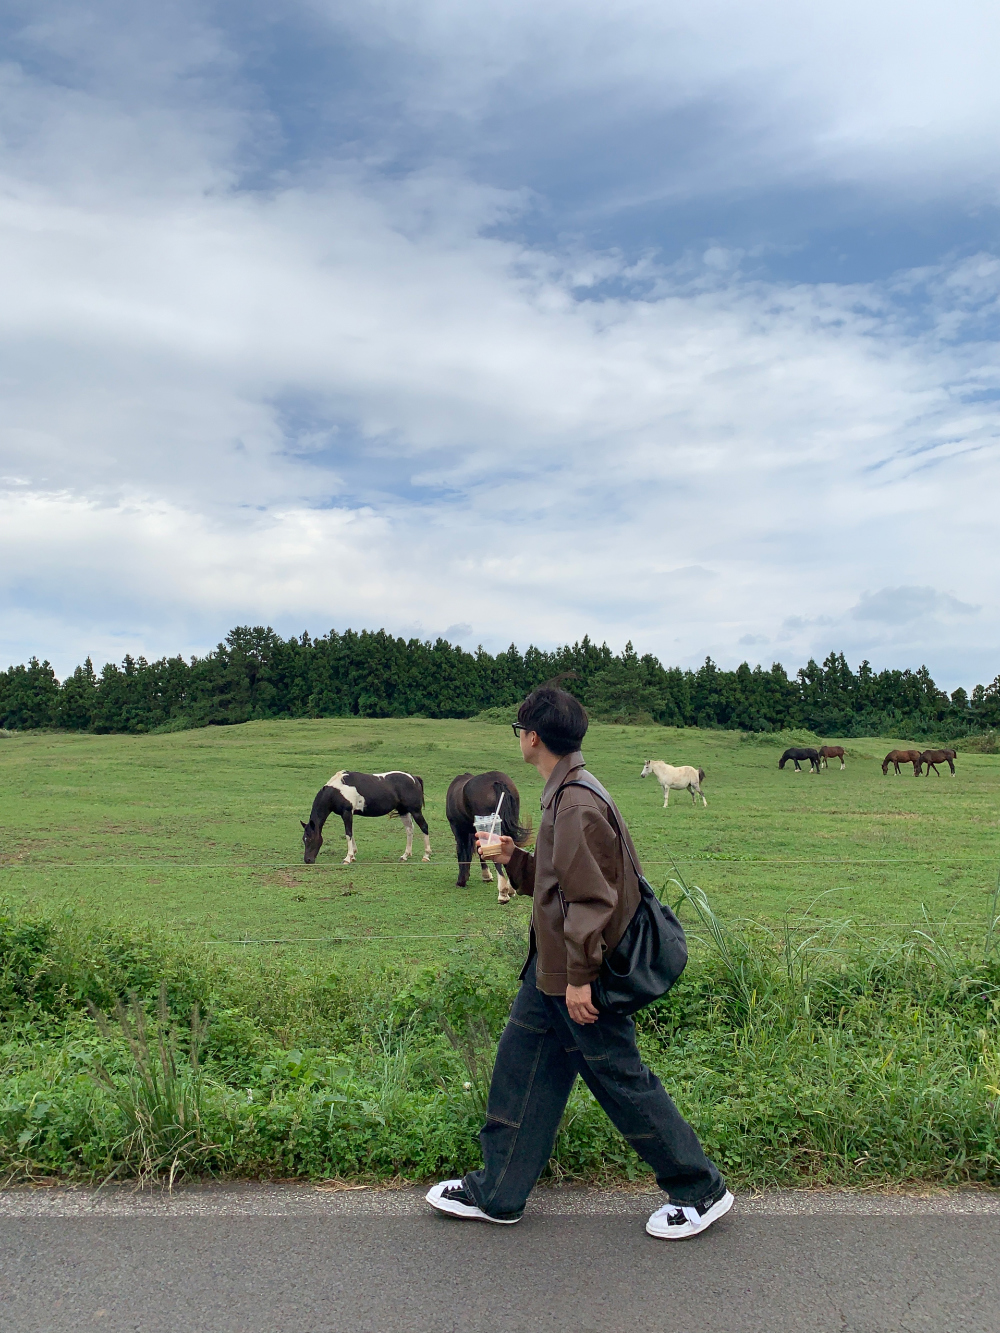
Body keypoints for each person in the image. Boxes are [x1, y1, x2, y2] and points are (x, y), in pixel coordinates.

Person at [426, 686, 732, 1240]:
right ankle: (498, 1193)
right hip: (552, 969)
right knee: (520, 1071)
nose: (518, 737)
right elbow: (558, 879)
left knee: (619, 1077)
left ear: (533, 736)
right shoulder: (565, 790)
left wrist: (580, 980)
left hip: (576, 973)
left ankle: (700, 1190)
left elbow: (591, 900)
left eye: (518, 729)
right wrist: (515, 860)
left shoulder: (576, 803)